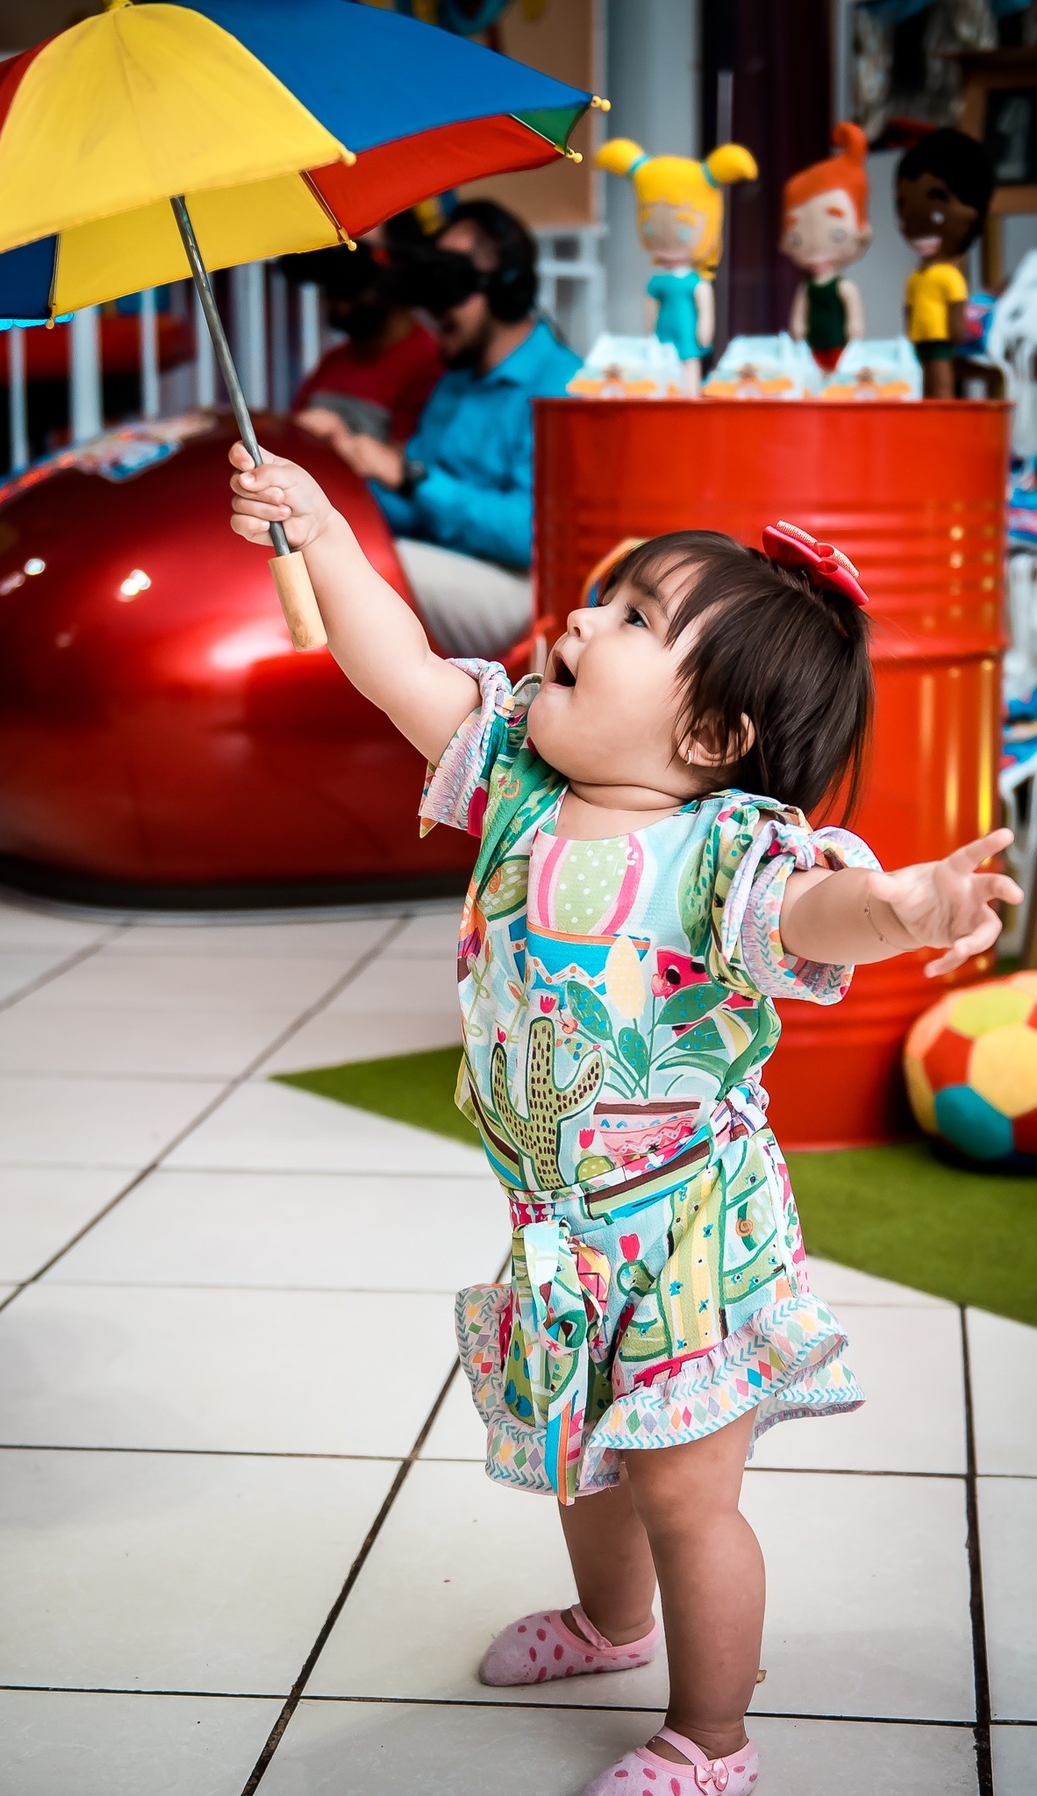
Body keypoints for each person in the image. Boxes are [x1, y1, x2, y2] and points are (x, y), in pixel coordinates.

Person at [230, 448, 1022, 1795]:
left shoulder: (726, 857)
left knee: (681, 1493)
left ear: (709, 741)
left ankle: (711, 1741)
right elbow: (396, 663)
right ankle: (610, 1625)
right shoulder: (512, 788)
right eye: (601, 600)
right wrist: (318, 531)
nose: (579, 621)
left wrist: (903, 911)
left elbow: (814, 917)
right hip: (561, 1230)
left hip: (693, 1239)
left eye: (632, 617)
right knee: (581, 1460)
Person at [322, 199, 582, 660]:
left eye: (450, 286)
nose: (434, 311)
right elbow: (418, 511)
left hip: (520, 588)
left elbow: (532, 536)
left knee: (341, 571)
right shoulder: (455, 380)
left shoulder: (561, 385)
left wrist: (410, 476)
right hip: (442, 558)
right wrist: (333, 492)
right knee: (321, 545)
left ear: (505, 290)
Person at [595, 139, 757, 395]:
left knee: (689, 363)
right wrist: (648, 332)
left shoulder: (696, 282)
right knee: (661, 365)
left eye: (683, 229)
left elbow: (704, 308)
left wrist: (705, 330)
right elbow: (650, 309)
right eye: (649, 227)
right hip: (664, 331)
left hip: (686, 331)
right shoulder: (658, 283)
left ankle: (690, 394)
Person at [283, 224, 443, 446]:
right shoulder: (334, 360)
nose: (340, 307)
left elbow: (408, 466)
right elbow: (291, 432)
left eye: (350, 287)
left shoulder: (429, 365)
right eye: (331, 289)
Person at [895, 127, 995, 400]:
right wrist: (909, 334)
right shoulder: (915, 278)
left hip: (940, 339)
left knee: (940, 381)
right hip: (920, 339)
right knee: (920, 382)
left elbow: (956, 308)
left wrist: (956, 333)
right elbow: (909, 308)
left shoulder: (949, 277)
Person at [781, 122, 873, 372]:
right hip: (814, 342)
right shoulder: (807, 286)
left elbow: (853, 311)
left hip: (837, 342)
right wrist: (797, 327)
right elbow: (800, 311)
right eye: (797, 238)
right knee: (813, 373)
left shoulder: (842, 286)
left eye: (835, 232)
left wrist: (855, 328)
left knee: (838, 374)